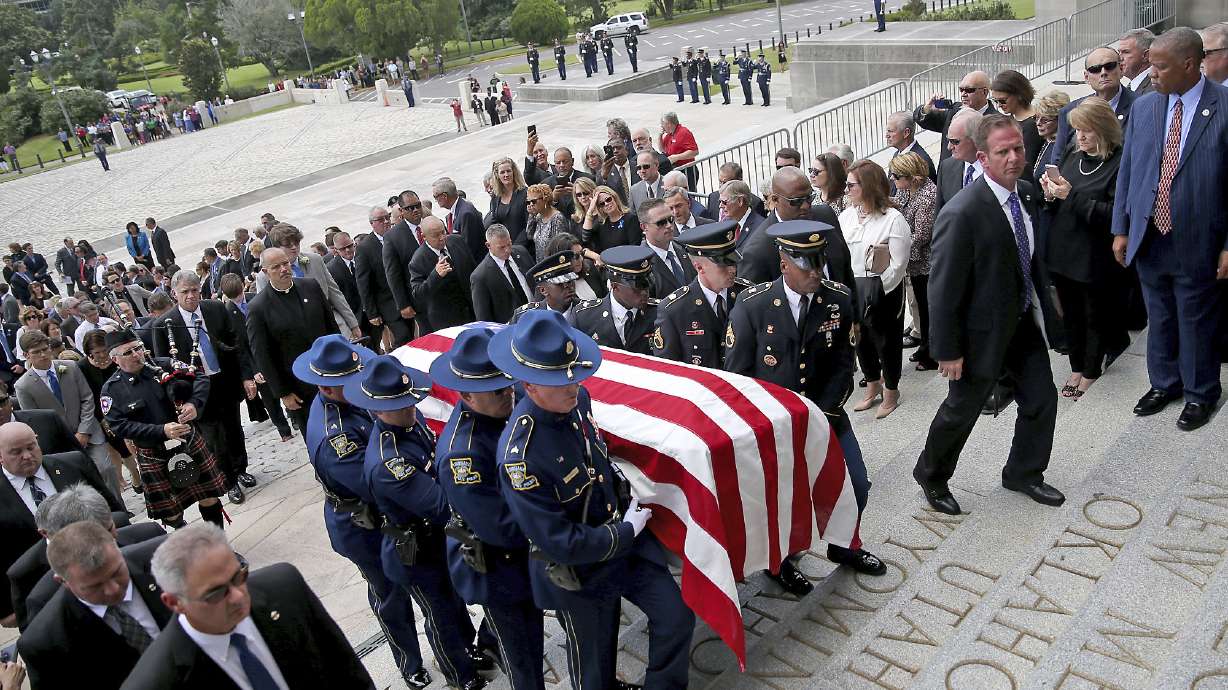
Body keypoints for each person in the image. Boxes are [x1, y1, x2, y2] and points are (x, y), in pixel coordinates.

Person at [490, 309, 694, 690]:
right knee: (595, 667)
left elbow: (594, 458)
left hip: (625, 540)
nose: (573, 387)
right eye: (558, 381)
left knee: (677, 616)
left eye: (574, 375)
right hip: (583, 569)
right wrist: (624, 532)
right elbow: (559, 541)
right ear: (529, 386)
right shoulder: (521, 455)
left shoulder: (575, 399)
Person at [915, 114, 1062, 515]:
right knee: (961, 411)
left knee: (1042, 399)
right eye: (1003, 152)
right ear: (982, 157)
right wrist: (947, 350)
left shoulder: (1028, 193)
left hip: (1021, 323)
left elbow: (1030, 260)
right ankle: (931, 474)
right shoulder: (963, 212)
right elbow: (942, 289)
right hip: (978, 335)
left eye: (1019, 148)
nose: (1014, 157)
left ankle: (1024, 473)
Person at [725, 221, 886, 589]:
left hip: (824, 413)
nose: (816, 272)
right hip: (773, 422)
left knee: (856, 483)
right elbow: (740, 376)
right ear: (784, 265)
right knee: (781, 499)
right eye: (805, 265)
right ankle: (779, 560)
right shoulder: (754, 306)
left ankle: (844, 545)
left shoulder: (838, 299)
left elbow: (845, 363)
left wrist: (821, 414)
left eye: (819, 262)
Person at [343, 356, 494, 690]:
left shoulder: (410, 421)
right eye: (400, 406)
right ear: (379, 410)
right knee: (440, 614)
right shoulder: (388, 461)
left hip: (436, 540)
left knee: (454, 603)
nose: (410, 409)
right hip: (414, 552)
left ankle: (470, 651)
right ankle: (460, 673)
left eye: (410, 401)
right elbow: (440, 503)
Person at [293, 336, 434, 688]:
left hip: (387, 512)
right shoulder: (333, 437)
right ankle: (409, 661)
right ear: (326, 386)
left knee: (424, 587)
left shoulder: (350, 400)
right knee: (390, 593)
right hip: (363, 524)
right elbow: (376, 486)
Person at [1112, 27, 1227, 431]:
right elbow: (1129, 171)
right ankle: (1164, 383)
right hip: (1149, 234)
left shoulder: (1224, 106)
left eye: (1160, 66)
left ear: (1189, 65)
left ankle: (1201, 393)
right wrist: (1121, 228)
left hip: (1200, 237)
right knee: (1158, 315)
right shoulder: (1146, 107)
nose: (1151, 73)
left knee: (1195, 317)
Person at [121, 522, 377, 689]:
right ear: (174, 602)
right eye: (215, 593)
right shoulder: (155, 681)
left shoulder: (285, 589)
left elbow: (349, 674)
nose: (237, 596)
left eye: (239, 577)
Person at [428, 329, 544, 688]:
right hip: (500, 568)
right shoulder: (463, 454)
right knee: (524, 658)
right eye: (497, 391)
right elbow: (501, 526)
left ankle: (491, 642)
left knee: (530, 636)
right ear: (466, 396)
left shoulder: (506, 406)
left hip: (523, 555)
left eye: (509, 384)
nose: (509, 394)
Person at [17, 520, 171, 689]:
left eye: (116, 572)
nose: (113, 590)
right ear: (63, 581)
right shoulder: (46, 642)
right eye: (95, 586)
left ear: (117, 547)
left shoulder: (167, 558)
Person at [100, 328, 228, 529]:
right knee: (170, 512)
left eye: (138, 348)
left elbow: (200, 377)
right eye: (128, 352)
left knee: (209, 496)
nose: (136, 354)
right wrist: (161, 431)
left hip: (188, 442)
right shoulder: (112, 390)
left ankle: (220, 547)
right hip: (154, 453)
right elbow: (119, 425)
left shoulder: (165, 364)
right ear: (115, 359)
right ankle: (189, 549)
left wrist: (194, 404)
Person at [0, 420, 125, 626]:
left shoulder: (73, 464)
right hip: (47, 589)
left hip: (106, 568)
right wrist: (6, 609)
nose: (27, 455)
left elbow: (112, 510)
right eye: (16, 452)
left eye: (31, 447)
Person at [1040, 97, 1125, 399]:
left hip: (1094, 253)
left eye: (1088, 130)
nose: (1081, 137)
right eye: (1077, 130)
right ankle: (1076, 366)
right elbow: (1057, 202)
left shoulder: (1119, 161)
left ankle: (1091, 370)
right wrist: (1049, 195)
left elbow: (1115, 213)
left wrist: (1070, 196)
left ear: (1104, 130)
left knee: (1094, 315)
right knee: (1070, 314)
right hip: (1063, 247)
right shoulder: (1072, 156)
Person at [153, 270, 258, 505]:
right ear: (174, 293)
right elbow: (164, 366)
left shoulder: (214, 309)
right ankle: (228, 480)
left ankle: (241, 468)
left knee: (233, 429)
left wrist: (246, 376)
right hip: (195, 391)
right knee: (213, 437)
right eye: (185, 292)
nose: (191, 296)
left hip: (224, 380)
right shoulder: (164, 325)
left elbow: (235, 344)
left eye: (194, 291)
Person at [841, 160, 911, 418]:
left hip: (883, 290)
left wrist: (878, 290)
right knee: (860, 341)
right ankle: (872, 385)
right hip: (854, 287)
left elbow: (899, 263)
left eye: (851, 185)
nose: (846, 190)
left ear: (867, 186)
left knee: (887, 341)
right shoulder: (847, 216)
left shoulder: (893, 219)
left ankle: (891, 389)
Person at [247, 247, 341, 435]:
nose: (283, 269)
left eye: (285, 263)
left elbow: (332, 328)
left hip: (332, 375)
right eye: (276, 267)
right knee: (317, 435)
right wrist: (283, 393)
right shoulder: (258, 307)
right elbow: (263, 355)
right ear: (265, 272)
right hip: (299, 387)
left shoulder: (310, 286)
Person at [15, 330, 120, 497]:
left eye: (45, 349)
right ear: (27, 355)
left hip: (88, 431)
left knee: (106, 468)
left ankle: (119, 507)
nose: (43, 355)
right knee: (81, 482)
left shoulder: (70, 367)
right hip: (61, 442)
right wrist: (68, 438)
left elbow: (87, 397)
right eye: (36, 352)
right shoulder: (23, 385)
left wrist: (84, 430)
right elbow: (35, 419)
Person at [652, 220, 749, 367]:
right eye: (724, 264)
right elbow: (668, 370)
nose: (732, 269)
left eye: (733, 262)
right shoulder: (674, 311)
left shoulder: (747, 296)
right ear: (699, 267)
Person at [257, 223, 362, 340]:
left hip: (331, 324)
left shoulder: (315, 260)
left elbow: (335, 293)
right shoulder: (264, 276)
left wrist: (353, 324)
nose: (294, 247)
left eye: (296, 242)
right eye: (288, 245)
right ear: (277, 247)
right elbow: (268, 312)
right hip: (297, 335)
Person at [890, 152, 940, 371]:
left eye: (897, 175)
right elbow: (899, 208)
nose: (893, 179)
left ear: (913, 176)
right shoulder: (906, 191)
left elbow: (921, 235)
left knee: (929, 309)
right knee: (921, 306)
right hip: (914, 263)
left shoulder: (928, 197)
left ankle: (932, 352)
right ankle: (926, 347)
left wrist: (896, 250)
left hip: (926, 263)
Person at [573, 245, 657, 353]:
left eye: (647, 285)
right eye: (637, 287)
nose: (645, 292)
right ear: (614, 286)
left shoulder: (658, 313)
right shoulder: (584, 317)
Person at [409, 215, 477, 331]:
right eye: (436, 235)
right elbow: (418, 294)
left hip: (472, 310)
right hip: (447, 320)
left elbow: (473, 269)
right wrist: (435, 275)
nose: (442, 238)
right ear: (424, 237)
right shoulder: (417, 261)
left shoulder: (457, 241)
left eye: (443, 232)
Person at [359, 206, 415, 347]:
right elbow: (363, 283)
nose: (386, 221)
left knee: (411, 333)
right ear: (372, 223)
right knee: (403, 336)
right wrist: (372, 313)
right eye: (380, 219)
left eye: (387, 217)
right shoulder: (365, 248)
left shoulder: (396, 236)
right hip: (387, 303)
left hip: (405, 296)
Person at [913, 70, 997, 161]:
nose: (963, 94)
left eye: (969, 90)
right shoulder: (953, 110)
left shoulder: (995, 121)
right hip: (949, 172)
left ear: (984, 92)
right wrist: (927, 108)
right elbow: (924, 121)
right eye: (961, 89)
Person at [470, 225, 533, 323]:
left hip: (536, 316)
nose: (507, 250)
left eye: (509, 244)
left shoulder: (521, 252)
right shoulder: (480, 276)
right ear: (488, 245)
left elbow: (536, 282)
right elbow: (484, 318)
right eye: (502, 247)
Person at [990, 70, 1042, 181]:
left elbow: (1026, 166)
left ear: (1019, 95)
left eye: (1003, 101)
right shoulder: (1011, 119)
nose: (999, 106)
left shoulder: (1032, 126)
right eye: (995, 101)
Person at [511, 250, 581, 325]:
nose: (567, 286)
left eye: (569, 281)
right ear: (543, 290)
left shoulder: (590, 312)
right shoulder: (524, 317)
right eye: (559, 283)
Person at [434, 176, 487, 262]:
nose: (436, 200)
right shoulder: (455, 212)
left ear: (444, 196)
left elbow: (468, 248)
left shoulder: (466, 213)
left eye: (435, 196)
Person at [581, 185, 641, 254]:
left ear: (614, 197)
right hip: (607, 263)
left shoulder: (630, 219)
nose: (606, 204)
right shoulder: (600, 224)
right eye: (602, 204)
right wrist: (590, 210)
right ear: (600, 208)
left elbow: (635, 248)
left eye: (608, 199)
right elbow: (585, 239)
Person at [1030, 91, 1069, 184]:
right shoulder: (1047, 141)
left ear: (1060, 120)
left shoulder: (1061, 147)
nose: (1038, 123)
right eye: (1036, 117)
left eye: (1045, 120)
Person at [490, 158, 531, 246]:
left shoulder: (525, 193)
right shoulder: (495, 196)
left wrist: (515, 247)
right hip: (503, 246)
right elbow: (495, 222)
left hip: (523, 246)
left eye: (508, 171)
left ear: (514, 172)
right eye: (502, 172)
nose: (506, 175)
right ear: (497, 175)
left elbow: (529, 224)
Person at [885, 111, 936, 182]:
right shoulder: (897, 154)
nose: (886, 136)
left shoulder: (921, 162)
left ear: (906, 133)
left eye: (891, 131)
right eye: (887, 131)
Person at [660, 112, 699, 191]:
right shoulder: (669, 135)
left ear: (669, 124)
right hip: (676, 170)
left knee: (689, 195)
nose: (662, 127)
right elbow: (662, 150)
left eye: (663, 124)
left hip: (687, 170)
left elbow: (694, 151)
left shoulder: (683, 132)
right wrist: (659, 136)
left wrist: (677, 157)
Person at [1119, 27, 1156, 94]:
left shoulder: (1156, 87)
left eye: (1126, 52)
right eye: (1119, 52)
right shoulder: (1128, 88)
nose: (1119, 58)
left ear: (1146, 55)